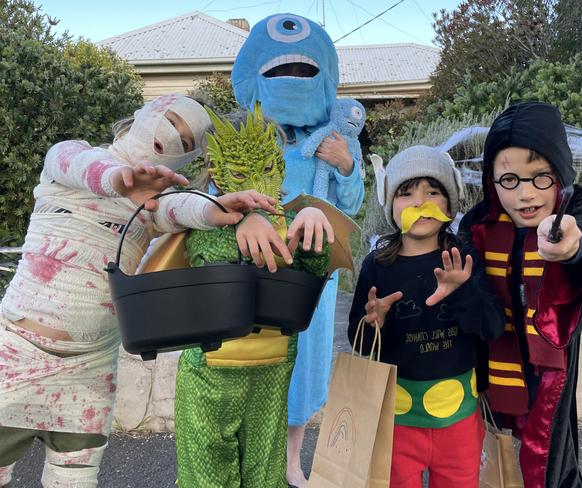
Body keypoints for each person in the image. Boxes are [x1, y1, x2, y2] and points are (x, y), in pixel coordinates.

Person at [0, 94, 275, 488]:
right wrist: (121, 181)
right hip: (16, 357)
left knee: (75, 479)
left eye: (187, 139)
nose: (174, 139)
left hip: (90, 369)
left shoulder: (151, 204)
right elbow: (86, 168)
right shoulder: (70, 155)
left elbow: (178, 209)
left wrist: (217, 209)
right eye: (171, 122)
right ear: (141, 117)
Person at [229, 13, 365, 487]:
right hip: (254, 266)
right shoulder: (244, 138)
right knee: (251, 357)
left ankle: (291, 459)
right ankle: (250, 458)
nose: (293, 80)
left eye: (306, 72)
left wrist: (346, 166)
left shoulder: (336, 140)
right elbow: (221, 196)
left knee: (306, 365)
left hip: (313, 272)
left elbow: (352, 207)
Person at [458, 101, 582, 488]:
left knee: (549, 460)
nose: (526, 194)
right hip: (494, 366)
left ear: (560, 176)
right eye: (510, 179)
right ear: (491, 179)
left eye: (541, 177)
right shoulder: (479, 224)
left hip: (550, 370)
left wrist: (575, 248)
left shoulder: (577, 212)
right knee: (488, 462)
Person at [174, 105, 336, 488]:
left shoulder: (292, 216)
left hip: (272, 371)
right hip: (210, 377)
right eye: (241, 173)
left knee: (265, 476)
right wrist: (242, 220)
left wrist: (314, 224)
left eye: (266, 169)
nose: (257, 185)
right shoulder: (200, 218)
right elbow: (208, 258)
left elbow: (308, 282)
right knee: (206, 477)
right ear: (216, 172)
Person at [348, 146, 505, 488]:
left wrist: (463, 292)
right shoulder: (378, 265)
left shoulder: (463, 259)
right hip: (396, 420)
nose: (421, 202)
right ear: (390, 206)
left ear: (449, 203)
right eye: (406, 193)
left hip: (459, 420)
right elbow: (358, 342)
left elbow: (492, 327)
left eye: (432, 191)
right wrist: (374, 321)